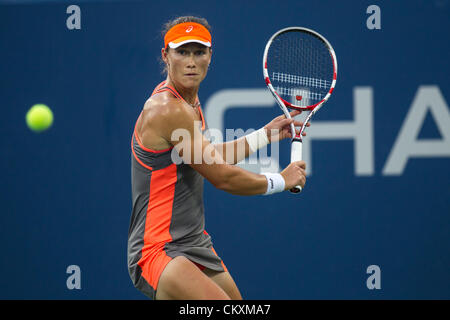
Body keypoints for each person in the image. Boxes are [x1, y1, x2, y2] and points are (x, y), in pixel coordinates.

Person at [128, 16, 308, 300]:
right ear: (166, 56)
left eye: (199, 52)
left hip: (193, 241)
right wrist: (280, 181)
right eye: (182, 52)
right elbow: (222, 177)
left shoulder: (189, 103)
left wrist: (266, 135)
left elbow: (206, 159)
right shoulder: (167, 109)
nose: (191, 61)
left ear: (210, 56)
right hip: (158, 248)